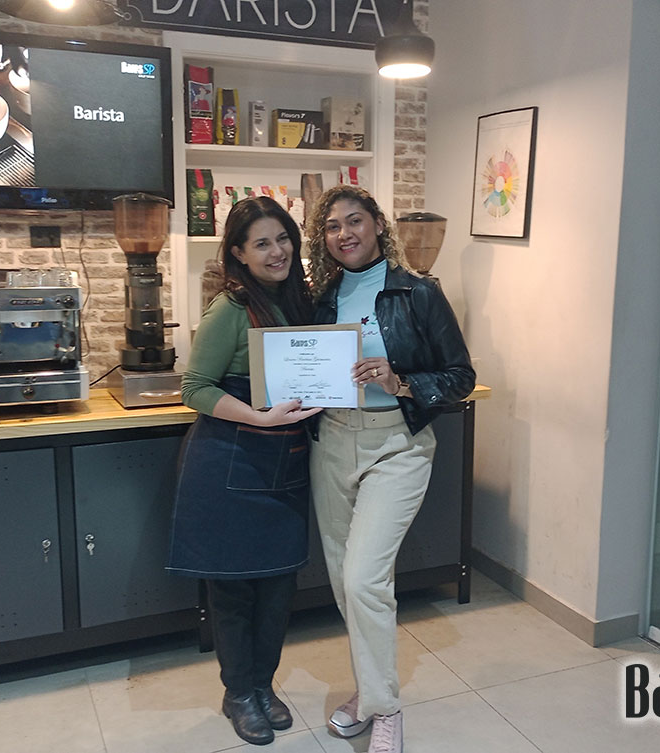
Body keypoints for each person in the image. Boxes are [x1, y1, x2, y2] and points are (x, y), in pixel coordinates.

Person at [305, 185, 476, 753]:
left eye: (355, 221)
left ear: (378, 224)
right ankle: (369, 689)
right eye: (333, 226)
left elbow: (460, 376)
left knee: (364, 579)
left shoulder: (418, 292)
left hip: (397, 445)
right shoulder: (323, 296)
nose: (344, 234)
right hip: (333, 442)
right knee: (344, 582)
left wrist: (399, 381)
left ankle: (385, 709)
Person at [167, 196, 321, 746]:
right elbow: (195, 389)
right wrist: (259, 416)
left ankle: (262, 685)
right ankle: (238, 693)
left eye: (283, 239)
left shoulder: (300, 302)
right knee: (233, 591)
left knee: (278, 586)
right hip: (229, 460)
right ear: (238, 253)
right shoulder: (230, 309)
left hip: (285, 463)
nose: (277, 251)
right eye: (262, 243)